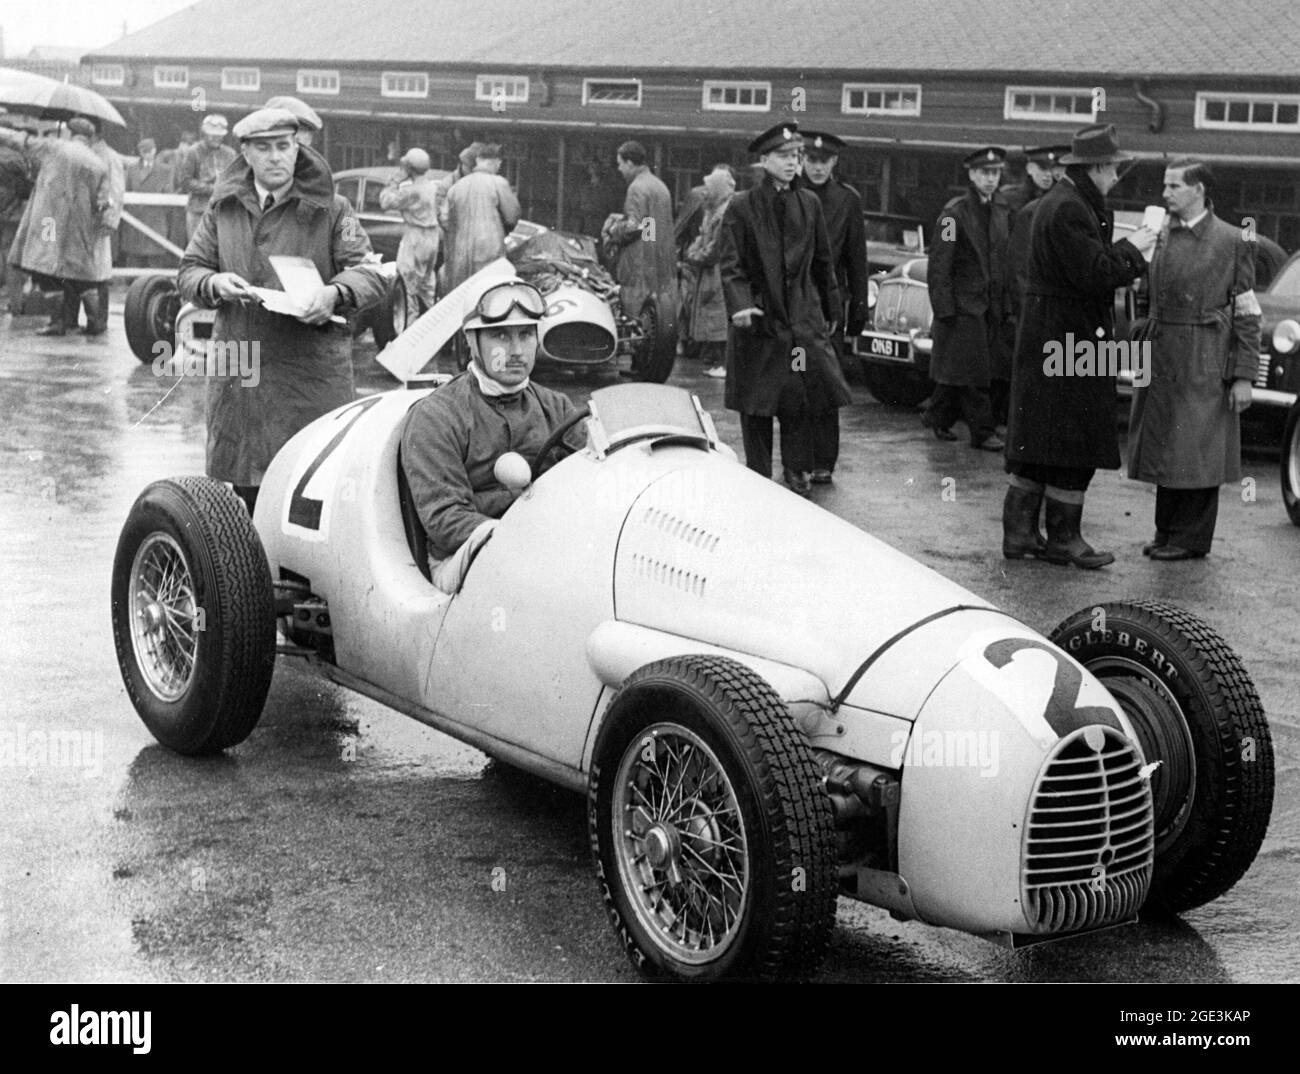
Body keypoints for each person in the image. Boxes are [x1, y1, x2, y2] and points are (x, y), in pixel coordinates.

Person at [177, 107, 385, 514]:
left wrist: (335, 293)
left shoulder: (334, 209)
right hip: (240, 372)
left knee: (310, 491)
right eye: (263, 148)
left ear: (296, 149)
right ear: (246, 153)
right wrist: (214, 283)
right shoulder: (224, 207)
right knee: (242, 495)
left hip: (308, 375)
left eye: (283, 146)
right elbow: (189, 271)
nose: (275, 156)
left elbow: (370, 271)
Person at [1002, 124, 1156, 567]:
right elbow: (1095, 272)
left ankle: (1021, 535)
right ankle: (1063, 540)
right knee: (1073, 441)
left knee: (1039, 443)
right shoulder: (1071, 208)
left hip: (1052, 334)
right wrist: (1136, 249)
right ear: (1100, 167)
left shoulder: (1064, 202)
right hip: (1070, 339)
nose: (1117, 177)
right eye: (1114, 168)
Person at [400, 278, 581, 593]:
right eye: (500, 336)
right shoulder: (437, 416)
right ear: (472, 341)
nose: (515, 351)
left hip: (551, 551)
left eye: (525, 335)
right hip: (464, 560)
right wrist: (525, 540)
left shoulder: (557, 406)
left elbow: (597, 480)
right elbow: (446, 520)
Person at [1127, 159, 1260, 560]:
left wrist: (1244, 376)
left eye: (1173, 187)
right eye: (1165, 186)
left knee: (1198, 448)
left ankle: (1191, 539)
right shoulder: (1161, 236)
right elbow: (1145, 298)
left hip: (1205, 355)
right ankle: (1166, 531)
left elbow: (1248, 313)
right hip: (1163, 352)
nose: (1165, 194)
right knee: (1167, 443)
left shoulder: (1234, 240)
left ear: (1199, 189)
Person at [718, 121, 849, 496]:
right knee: (756, 403)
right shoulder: (742, 206)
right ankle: (757, 475)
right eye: (784, 156)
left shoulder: (808, 203)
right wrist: (741, 307)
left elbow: (823, 261)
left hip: (800, 322)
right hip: (759, 320)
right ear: (764, 160)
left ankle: (797, 470)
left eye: (797, 156)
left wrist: (831, 308)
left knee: (798, 396)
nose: (793, 163)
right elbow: (731, 264)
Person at [922, 147, 1012, 451]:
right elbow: (940, 263)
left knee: (959, 368)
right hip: (963, 306)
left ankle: (937, 416)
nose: (990, 179)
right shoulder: (954, 213)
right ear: (971, 174)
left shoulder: (999, 211)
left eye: (995, 173)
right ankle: (982, 432)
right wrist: (944, 309)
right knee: (974, 374)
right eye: (984, 173)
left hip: (989, 305)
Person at [797, 130, 869, 483]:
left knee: (826, 383)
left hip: (829, 307)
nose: (817, 168)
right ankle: (799, 460)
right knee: (795, 383)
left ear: (835, 162)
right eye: (811, 160)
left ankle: (824, 460)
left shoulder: (847, 200)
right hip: (794, 302)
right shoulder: (791, 193)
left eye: (824, 162)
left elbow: (857, 258)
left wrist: (858, 312)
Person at [0, 115, 112, 337]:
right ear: (88, 137)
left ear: (70, 132)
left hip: (49, 220)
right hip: (80, 226)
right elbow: (103, 203)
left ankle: (57, 322)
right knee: (79, 272)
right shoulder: (99, 164)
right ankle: (95, 321)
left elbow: (21, 141)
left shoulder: (54, 147)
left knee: (45, 267)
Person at [607, 140, 677, 367]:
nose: (618, 169)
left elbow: (635, 226)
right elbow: (651, 226)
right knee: (656, 311)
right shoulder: (659, 185)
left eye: (620, 164)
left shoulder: (637, 187)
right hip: (659, 257)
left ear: (630, 162)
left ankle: (639, 361)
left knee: (636, 312)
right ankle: (647, 360)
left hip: (639, 261)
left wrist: (614, 230)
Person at [440, 143, 520, 293]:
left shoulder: (456, 187)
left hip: (460, 254)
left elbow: (444, 218)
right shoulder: (499, 183)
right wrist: (502, 231)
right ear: (495, 163)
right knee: (488, 295)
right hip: (490, 250)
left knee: (461, 297)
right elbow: (512, 216)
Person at [682, 166, 736, 379]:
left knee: (718, 318)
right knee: (713, 317)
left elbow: (713, 248)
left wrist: (692, 255)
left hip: (715, 272)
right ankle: (717, 360)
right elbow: (700, 239)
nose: (704, 192)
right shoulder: (711, 210)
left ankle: (722, 363)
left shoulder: (722, 213)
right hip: (709, 272)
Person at [380, 147, 441, 317]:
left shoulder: (411, 191)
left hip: (415, 236)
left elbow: (385, 201)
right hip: (433, 236)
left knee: (408, 282)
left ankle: (409, 323)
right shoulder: (433, 187)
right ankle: (432, 323)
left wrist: (394, 181)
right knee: (428, 284)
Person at [84, 120, 125, 336]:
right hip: (84, 222)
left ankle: (99, 321)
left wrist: (110, 220)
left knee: (99, 271)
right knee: (87, 271)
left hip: (99, 221)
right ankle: (91, 320)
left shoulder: (110, 157)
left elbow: (116, 192)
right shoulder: (86, 153)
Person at [176, 114, 235, 239]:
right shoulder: (194, 152)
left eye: (219, 135)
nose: (216, 138)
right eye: (212, 135)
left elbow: (236, 179)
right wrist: (211, 189)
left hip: (223, 212)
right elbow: (185, 180)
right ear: (205, 134)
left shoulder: (229, 154)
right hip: (198, 210)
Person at [122, 138, 175, 269]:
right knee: (134, 253)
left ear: (155, 150)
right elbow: (127, 190)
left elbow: (169, 196)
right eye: (143, 152)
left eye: (149, 151)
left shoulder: (165, 170)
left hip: (155, 217)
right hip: (135, 217)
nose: (147, 154)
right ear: (140, 152)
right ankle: (132, 279)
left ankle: (155, 282)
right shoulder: (132, 168)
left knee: (155, 253)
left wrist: (160, 212)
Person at [0, 123, 34, 312]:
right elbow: (24, 189)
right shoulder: (17, 159)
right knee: (11, 258)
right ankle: (16, 303)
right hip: (13, 214)